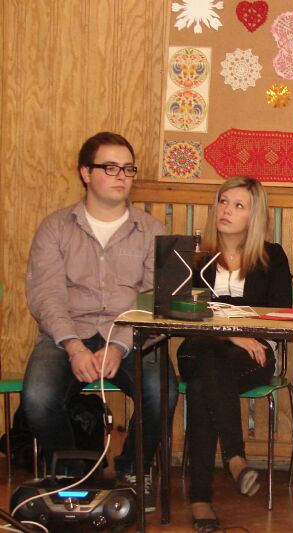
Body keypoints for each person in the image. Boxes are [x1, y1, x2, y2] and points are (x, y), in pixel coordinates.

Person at [22, 132, 178, 512]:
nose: (121, 176)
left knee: (162, 393)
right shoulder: (55, 227)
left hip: (133, 335)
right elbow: (46, 295)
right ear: (85, 173)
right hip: (67, 334)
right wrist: (73, 346)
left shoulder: (153, 231)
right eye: (110, 167)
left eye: (127, 168)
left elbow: (154, 300)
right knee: (38, 398)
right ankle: (76, 474)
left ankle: (132, 469)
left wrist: (120, 343)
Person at [176, 178, 292, 533]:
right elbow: (181, 311)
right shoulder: (196, 256)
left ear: (254, 216)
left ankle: (201, 497)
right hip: (199, 348)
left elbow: (280, 313)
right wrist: (231, 333)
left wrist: (237, 333)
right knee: (209, 361)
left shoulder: (272, 257)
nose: (226, 210)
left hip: (252, 355)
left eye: (238, 205)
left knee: (202, 384)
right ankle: (235, 458)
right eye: (223, 202)